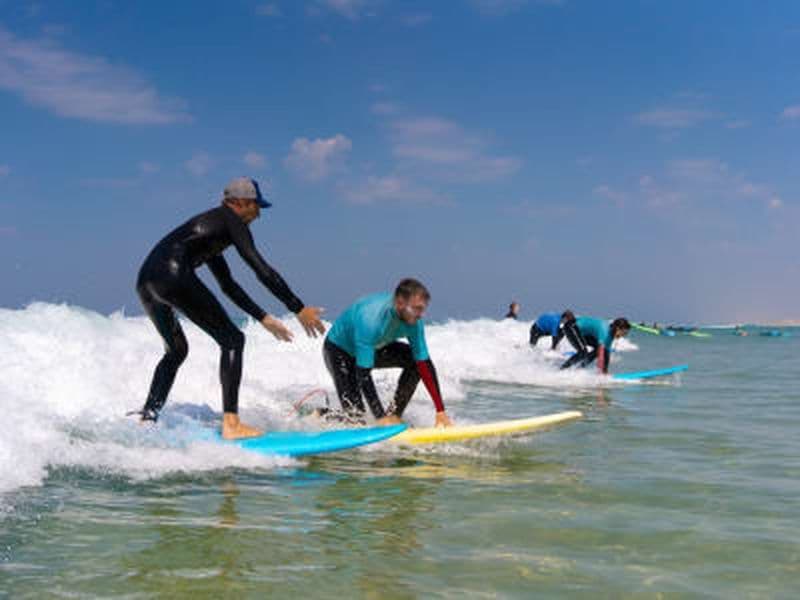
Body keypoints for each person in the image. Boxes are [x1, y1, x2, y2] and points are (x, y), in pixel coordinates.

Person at [133, 177, 325, 439]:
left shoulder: (210, 230)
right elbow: (262, 270)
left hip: (147, 282)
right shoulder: (231, 222)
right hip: (173, 275)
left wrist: (263, 317)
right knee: (233, 340)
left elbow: (228, 285)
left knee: (176, 350)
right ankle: (231, 424)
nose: (258, 215)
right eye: (257, 206)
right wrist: (298, 308)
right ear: (243, 203)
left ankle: (147, 418)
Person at [322, 278, 453, 427]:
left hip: (374, 347)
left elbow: (424, 364)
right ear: (399, 303)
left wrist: (440, 411)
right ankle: (322, 415)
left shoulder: (414, 322)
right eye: (417, 308)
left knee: (415, 363)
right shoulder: (371, 320)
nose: (421, 315)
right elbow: (363, 374)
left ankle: (394, 415)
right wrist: (379, 416)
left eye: (423, 309)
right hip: (340, 351)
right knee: (356, 419)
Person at [560, 317, 630, 373]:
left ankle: (578, 369)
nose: (624, 336)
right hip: (571, 327)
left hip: (583, 333)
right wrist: (600, 372)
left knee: (600, 351)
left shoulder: (610, 335)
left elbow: (606, 354)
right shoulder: (605, 331)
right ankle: (562, 370)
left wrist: (605, 371)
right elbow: (601, 356)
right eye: (624, 333)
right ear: (618, 329)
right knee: (583, 352)